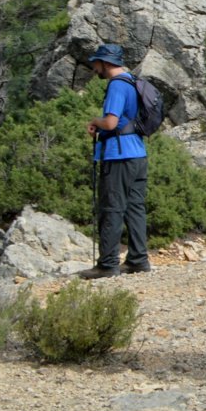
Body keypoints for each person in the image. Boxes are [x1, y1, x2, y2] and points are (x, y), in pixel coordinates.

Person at [82, 43, 149, 278]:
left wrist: (94, 121)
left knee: (111, 207)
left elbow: (110, 123)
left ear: (106, 62)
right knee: (135, 207)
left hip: (118, 155)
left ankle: (107, 264)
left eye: (96, 63)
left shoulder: (117, 86)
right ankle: (138, 260)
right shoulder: (132, 81)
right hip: (138, 153)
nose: (94, 68)